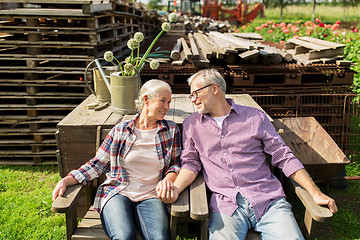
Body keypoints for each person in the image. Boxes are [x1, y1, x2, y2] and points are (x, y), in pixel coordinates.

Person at [157, 69, 338, 240]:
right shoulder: (192, 125)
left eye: (196, 93)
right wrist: (176, 189)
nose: (193, 99)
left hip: (269, 201)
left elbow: (284, 157)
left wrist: (315, 193)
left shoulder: (255, 117)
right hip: (226, 206)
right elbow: (191, 164)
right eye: (191, 95)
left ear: (214, 88)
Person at [52, 79, 181, 240]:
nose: (167, 107)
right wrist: (68, 180)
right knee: (124, 236)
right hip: (118, 192)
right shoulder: (121, 130)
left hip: (151, 195)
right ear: (146, 99)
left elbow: (175, 164)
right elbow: (98, 163)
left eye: (169, 102)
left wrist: (168, 179)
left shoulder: (171, 130)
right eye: (163, 101)